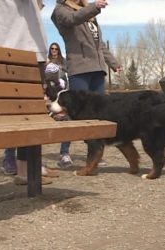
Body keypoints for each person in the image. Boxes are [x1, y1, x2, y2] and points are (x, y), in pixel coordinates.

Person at [0, 0, 58, 184]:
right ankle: (25, 170)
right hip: (22, 49)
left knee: (31, 114)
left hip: (26, 49)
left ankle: (31, 167)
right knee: (27, 115)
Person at [52, 0, 122, 169]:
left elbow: (99, 44)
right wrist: (94, 7)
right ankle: (64, 153)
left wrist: (113, 62)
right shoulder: (60, 10)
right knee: (72, 113)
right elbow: (73, 19)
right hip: (79, 69)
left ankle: (95, 153)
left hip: (97, 70)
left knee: (98, 115)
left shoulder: (88, 12)